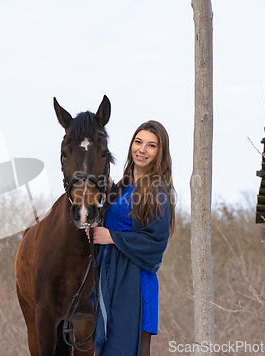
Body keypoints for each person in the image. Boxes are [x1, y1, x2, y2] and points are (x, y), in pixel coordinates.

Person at [85, 120, 176, 356]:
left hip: (136, 284)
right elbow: (113, 221)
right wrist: (96, 227)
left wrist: (112, 237)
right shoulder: (124, 185)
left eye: (151, 145)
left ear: (160, 152)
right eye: (138, 142)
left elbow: (155, 243)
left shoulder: (157, 189)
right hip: (110, 278)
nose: (142, 149)